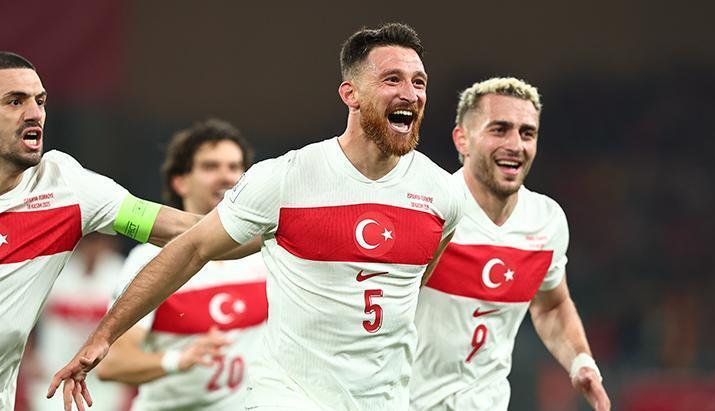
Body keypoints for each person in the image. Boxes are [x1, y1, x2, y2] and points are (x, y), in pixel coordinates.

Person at [47, 22, 463, 411]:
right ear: (350, 94)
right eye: (392, 79)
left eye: (419, 82)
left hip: (385, 399)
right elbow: (192, 248)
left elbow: (415, 280)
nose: (411, 93)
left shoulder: (442, 194)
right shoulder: (288, 178)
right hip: (290, 396)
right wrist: (103, 337)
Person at [0, 51, 200, 410]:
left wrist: (268, 220)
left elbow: (193, 232)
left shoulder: (64, 188)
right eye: (15, 101)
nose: (35, 113)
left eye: (40, 101)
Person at [409, 77, 611, 411]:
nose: (515, 144)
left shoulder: (545, 220)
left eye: (527, 133)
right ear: (462, 139)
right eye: (499, 130)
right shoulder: (427, 209)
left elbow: (551, 305)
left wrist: (581, 362)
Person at [95, 119, 268, 410]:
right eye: (210, 167)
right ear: (180, 182)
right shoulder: (150, 259)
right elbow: (111, 363)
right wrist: (179, 359)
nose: (226, 177)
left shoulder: (264, 255)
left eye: (234, 167)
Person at [27, 234, 132, 411]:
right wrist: (28, 356)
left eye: (98, 240)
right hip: (52, 373)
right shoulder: (56, 271)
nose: (92, 247)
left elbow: (133, 325)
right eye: (88, 240)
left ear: (109, 241)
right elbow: (30, 317)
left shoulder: (122, 273)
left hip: (102, 379)